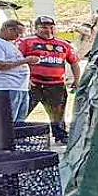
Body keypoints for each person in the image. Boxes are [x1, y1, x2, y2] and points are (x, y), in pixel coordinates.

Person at [19, 16, 81, 144]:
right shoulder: (27, 42)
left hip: (56, 85)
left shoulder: (63, 44)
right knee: (22, 112)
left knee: (58, 114)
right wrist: (26, 79)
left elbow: (74, 62)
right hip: (34, 84)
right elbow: (17, 61)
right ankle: (16, 136)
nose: (48, 30)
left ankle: (60, 136)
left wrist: (76, 80)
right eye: (43, 27)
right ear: (36, 28)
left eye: (51, 27)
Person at [0, 20, 37, 122]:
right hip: (6, 86)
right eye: (18, 33)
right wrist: (25, 61)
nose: (19, 36)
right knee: (8, 120)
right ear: (9, 29)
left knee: (19, 121)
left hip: (20, 87)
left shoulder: (8, 43)